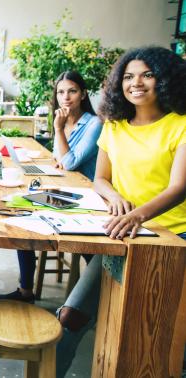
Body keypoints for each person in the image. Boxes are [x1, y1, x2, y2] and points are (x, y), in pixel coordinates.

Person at [55, 46, 186, 377]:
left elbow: (179, 187)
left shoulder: (181, 125)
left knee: (157, 338)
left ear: (165, 79)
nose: (136, 83)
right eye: (128, 76)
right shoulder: (114, 126)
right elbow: (100, 178)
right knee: (70, 317)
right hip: (122, 233)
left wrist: (136, 214)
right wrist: (114, 198)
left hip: (173, 238)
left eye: (147, 74)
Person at [0, 70, 103, 303]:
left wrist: (57, 129)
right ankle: (25, 290)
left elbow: (69, 162)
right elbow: (59, 159)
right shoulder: (64, 121)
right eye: (61, 92)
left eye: (72, 91)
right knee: (21, 215)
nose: (66, 97)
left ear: (83, 94)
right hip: (63, 188)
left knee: (89, 249)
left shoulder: (94, 123)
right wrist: (61, 142)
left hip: (87, 198)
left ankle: (97, 295)